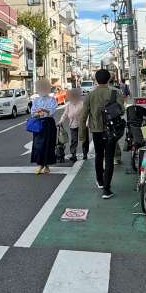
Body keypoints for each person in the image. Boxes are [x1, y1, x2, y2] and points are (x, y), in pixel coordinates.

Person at [82, 69, 121, 199]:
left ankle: (100, 181)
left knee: (99, 155)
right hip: (111, 130)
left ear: (96, 80)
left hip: (96, 131)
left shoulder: (90, 95)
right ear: (109, 79)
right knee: (109, 158)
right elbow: (122, 111)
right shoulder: (116, 93)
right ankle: (106, 189)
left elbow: (83, 117)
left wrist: (83, 136)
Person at [29, 79, 58, 174]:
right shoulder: (36, 100)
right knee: (38, 144)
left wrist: (45, 110)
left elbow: (53, 111)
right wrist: (37, 112)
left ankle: (46, 165)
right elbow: (32, 112)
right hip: (38, 123)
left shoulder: (52, 99)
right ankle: (40, 164)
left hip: (49, 123)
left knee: (49, 144)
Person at [58, 87, 85, 162]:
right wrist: (61, 121)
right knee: (74, 140)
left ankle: (85, 153)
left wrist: (86, 123)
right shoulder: (68, 105)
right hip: (73, 125)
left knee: (84, 140)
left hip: (82, 125)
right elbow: (65, 114)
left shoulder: (82, 104)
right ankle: (73, 155)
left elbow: (87, 114)